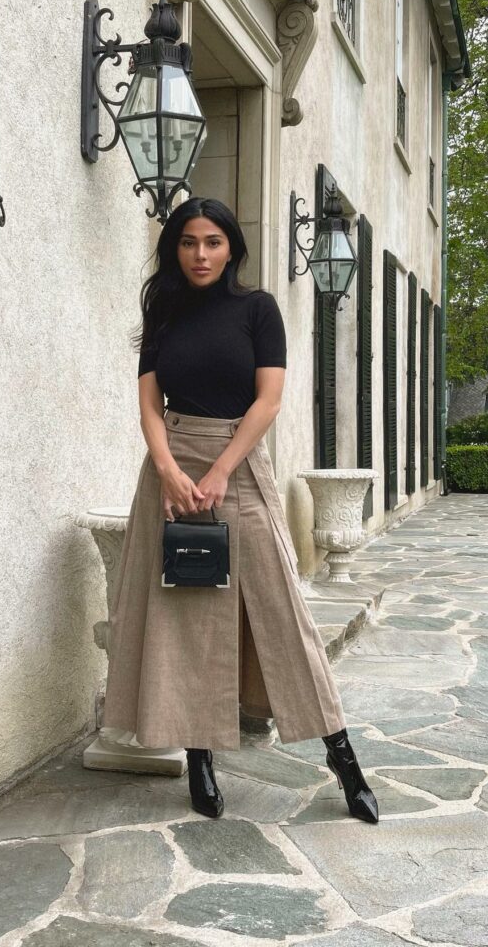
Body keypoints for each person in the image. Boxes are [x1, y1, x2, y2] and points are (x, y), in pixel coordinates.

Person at [102, 197, 378, 824]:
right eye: (188, 243)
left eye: (213, 242)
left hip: (240, 467)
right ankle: (199, 757)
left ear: (232, 248)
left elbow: (269, 399)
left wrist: (222, 469)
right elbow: (149, 403)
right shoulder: (163, 312)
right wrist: (171, 471)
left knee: (283, 610)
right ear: (175, 249)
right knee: (186, 613)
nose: (200, 254)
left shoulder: (258, 309)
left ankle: (343, 758)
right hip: (170, 469)